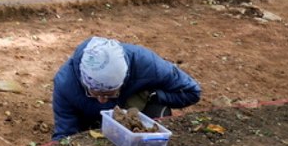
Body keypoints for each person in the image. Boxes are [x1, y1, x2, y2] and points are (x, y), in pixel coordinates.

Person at [51, 36, 201, 140]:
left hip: (137, 121)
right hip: (92, 125)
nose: (102, 100)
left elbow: (191, 92)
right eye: (94, 93)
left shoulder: (147, 65)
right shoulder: (65, 84)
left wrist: (153, 96)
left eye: (110, 94)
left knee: (158, 113)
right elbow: (65, 133)